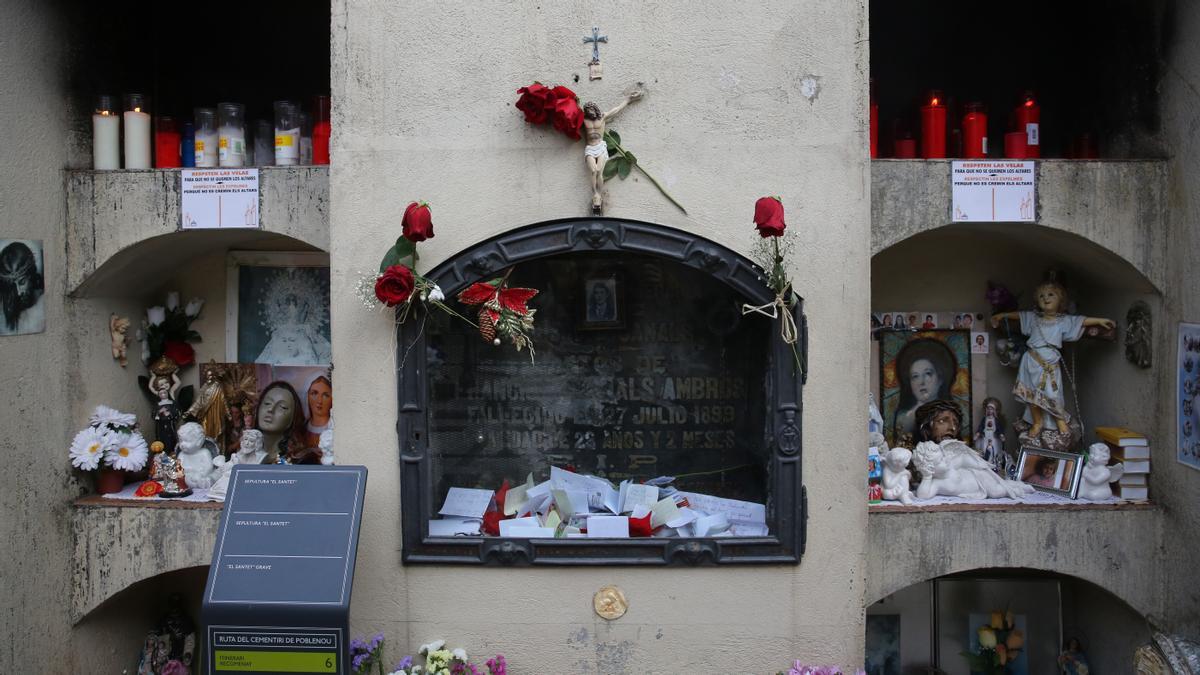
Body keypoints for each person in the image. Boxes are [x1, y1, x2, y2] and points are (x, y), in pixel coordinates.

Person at [992, 276, 1114, 437]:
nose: (1046, 298)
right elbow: (1019, 316)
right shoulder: (1034, 318)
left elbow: (1081, 321)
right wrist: (1002, 316)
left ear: (1061, 300)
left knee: (1053, 394)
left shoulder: (1063, 321)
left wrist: (1100, 320)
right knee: (1031, 395)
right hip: (1031, 360)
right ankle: (1037, 422)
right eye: (1042, 296)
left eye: (1051, 295)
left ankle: (1060, 422)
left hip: (1049, 364)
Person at [583, 84, 645, 212]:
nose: (590, 112)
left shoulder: (603, 117)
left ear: (595, 110)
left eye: (591, 110)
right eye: (587, 111)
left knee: (599, 170)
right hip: (590, 148)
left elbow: (616, 110)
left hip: (600, 147)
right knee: (593, 171)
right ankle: (594, 193)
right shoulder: (584, 120)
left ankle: (598, 195)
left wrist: (628, 99)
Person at [892, 339, 956, 443]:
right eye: (915, 376)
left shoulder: (950, 413)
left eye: (928, 374)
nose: (921, 382)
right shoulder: (905, 417)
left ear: (940, 379)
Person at [254, 381, 311, 463]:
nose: (271, 409)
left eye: (282, 407)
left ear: (293, 418)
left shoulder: (301, 462)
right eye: (267, 403)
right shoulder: (243, 456)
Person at [0, 240, 44, 334]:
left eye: (22, 282)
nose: (19, 292)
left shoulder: (42, 301)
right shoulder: (5, 307)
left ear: (31, 274)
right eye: (12, 286)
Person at [302, 373, 333, 449]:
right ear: (307, 397)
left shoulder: (336, 429)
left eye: (325, 395)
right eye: (314, 393)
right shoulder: (302, 430)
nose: (319, 401)